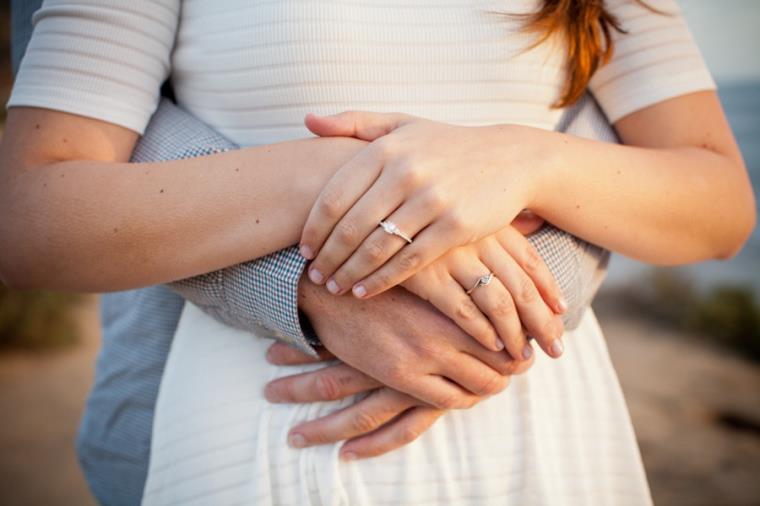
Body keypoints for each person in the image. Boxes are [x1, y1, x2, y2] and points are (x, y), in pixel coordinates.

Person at [1, 0, 754, 505]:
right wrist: (325, 183)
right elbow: (29, 221)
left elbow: (719, 205)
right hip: (250, 409)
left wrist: (528, 163)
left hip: (533, 418)